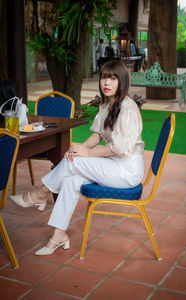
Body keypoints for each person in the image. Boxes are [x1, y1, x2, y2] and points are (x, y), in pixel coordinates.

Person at [10, 60, 144, 256]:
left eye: (113, 79)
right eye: (104, 77)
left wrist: (87, 153)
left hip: (126, 170)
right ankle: (59, 236)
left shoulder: (128, 108)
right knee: (72, 179)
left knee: (77, 161)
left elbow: (120, 148)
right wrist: (80, 147)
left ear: (121, 82)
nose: (106, 83)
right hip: (112, 165)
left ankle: (40, 193)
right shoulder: (107, 104)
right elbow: (97, 135)